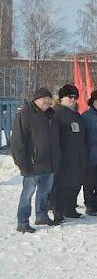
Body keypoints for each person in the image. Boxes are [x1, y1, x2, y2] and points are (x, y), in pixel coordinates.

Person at [11, 88, 61, 233]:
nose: (47, 101)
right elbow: (17, 141)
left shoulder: (51, 115)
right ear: (35, 100)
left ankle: (41, 216)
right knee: (27, 194)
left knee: (44, 193)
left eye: (49, 98)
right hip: (32, 164)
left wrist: (56, 161)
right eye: (43, 99)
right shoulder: (26, 114)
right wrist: (23, 164)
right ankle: (22, 222)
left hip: (49, 163)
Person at [53, 84, 88, 222]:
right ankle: (58, 211)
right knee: (62, 185)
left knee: (75, 183)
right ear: (62, 98)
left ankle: (70, 209)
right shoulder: (57, 114)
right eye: (70, 97)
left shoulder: (76, 114)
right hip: (65, 156)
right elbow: (55, 137)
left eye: (75, 97)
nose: (73, 100)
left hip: (78, 155)